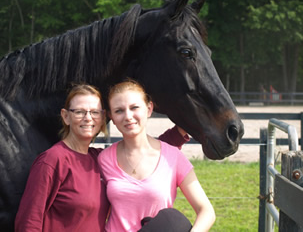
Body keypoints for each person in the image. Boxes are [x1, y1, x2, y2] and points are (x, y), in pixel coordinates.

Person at [15, 84, 189, 232]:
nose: (88, 118)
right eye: (80, 112)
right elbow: (29, 221)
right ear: (66, 116)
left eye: (94, 112)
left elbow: (143, 150)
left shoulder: (100, 159)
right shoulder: (52, 160)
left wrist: (181, 130)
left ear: (103, 118)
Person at [98, 80, 216, 232]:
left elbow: (206, 211)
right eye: (119, 111)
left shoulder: (173, 157)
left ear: (149, 109)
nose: (128, 116)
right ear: (111, 117)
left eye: (134, 107)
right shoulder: (104, 159)